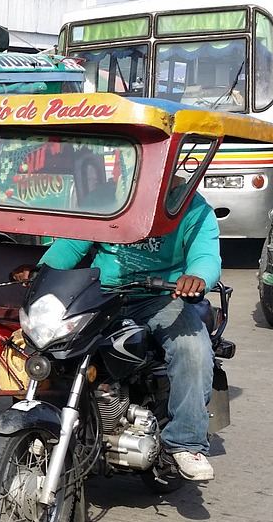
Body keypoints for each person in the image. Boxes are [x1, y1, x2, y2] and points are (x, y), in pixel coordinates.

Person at [13, 179, 221, 481]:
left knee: (192, 347)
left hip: (161, 298)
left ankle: (186, 442)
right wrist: (42, 271)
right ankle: (47, 422)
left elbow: (206, 255)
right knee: (47, 339)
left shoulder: (194, 209)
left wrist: (197, 277)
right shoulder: (108, 196)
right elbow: (73, 242)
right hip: (103, 293)